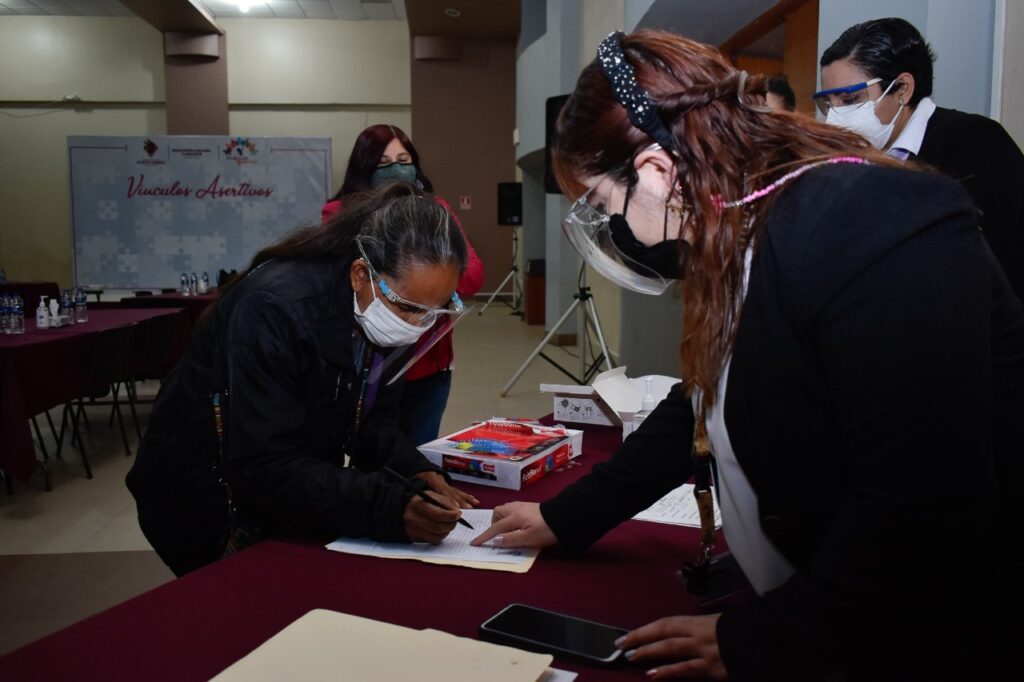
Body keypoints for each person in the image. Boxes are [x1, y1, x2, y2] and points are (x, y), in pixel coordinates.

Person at [473, 29, 1024, 681]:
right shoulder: (746, 224)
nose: (610, 225)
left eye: (600, 201)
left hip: (917, 644)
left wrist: (764, 639)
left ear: (654, 169)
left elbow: (920, 506)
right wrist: (567, 518)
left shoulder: (870, 224)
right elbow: (700, 404)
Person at [127, 184, 479, 576]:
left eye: (434, 311)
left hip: (277, 485)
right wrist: (389, 507)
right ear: (361, 274)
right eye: (411, 308)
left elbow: (373, 421)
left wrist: (413, 469)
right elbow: (265, 465)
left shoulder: (384, 305)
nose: (417, 324)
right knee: (239, 614)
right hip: (200, 495)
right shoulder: (277, 308)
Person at [818, 17, 1024, 299]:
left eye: (850, 100)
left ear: (902, 89)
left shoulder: (976, 142)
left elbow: (998, 270)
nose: (833, 117)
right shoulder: (854, 166)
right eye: (827, 103)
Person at [323, 124, 485, 446]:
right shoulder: (340, 213)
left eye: (403, 158)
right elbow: (339, 282)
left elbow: (472, 276)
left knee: (420, 453)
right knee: (369, 454)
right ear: (364, 167)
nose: (396, 168)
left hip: (427, 362)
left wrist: (430, 284)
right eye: (383, 162)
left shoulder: (435, 211)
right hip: (365, 361)